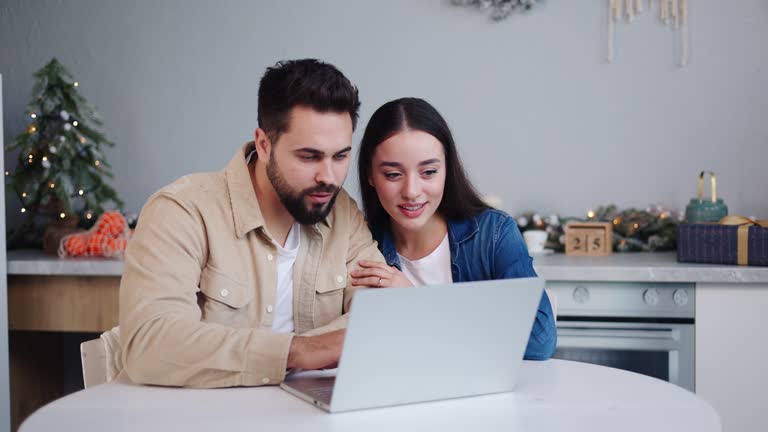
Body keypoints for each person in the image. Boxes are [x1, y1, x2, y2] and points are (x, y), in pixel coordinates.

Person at [119, 59, 386, 388]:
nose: (329, 177)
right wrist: (300, 352)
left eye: (340, 156)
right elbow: (150, 344)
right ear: (263, 144)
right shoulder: (181, 211)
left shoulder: (340, 211)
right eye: (309, 156)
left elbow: (380, 318)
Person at [351, 97, 556, 360]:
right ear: (370, 175)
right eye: (393, 175)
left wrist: (416, 304)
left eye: (428, 172)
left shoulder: (493, 234)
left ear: (447, 169)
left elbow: (540, 341)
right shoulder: (360, 245)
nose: (412, 192)